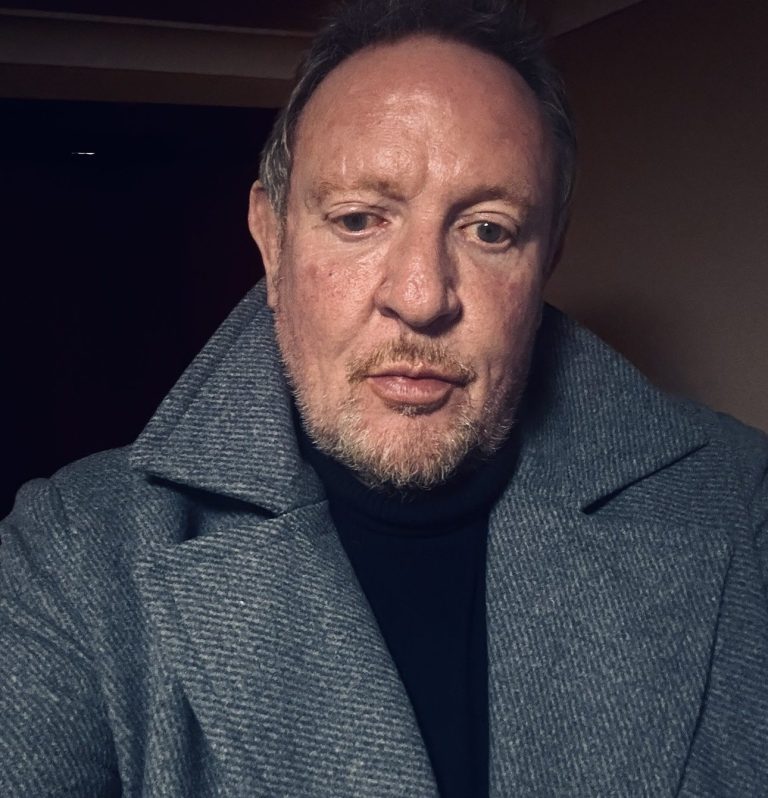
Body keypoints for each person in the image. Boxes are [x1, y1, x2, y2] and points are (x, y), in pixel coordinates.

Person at [2, 0, 767, 795]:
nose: (422, 296)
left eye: (489, 230)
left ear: (546, 258)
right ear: (271, 239)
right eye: (360, 219)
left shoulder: (743, 509)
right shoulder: (70, 557)